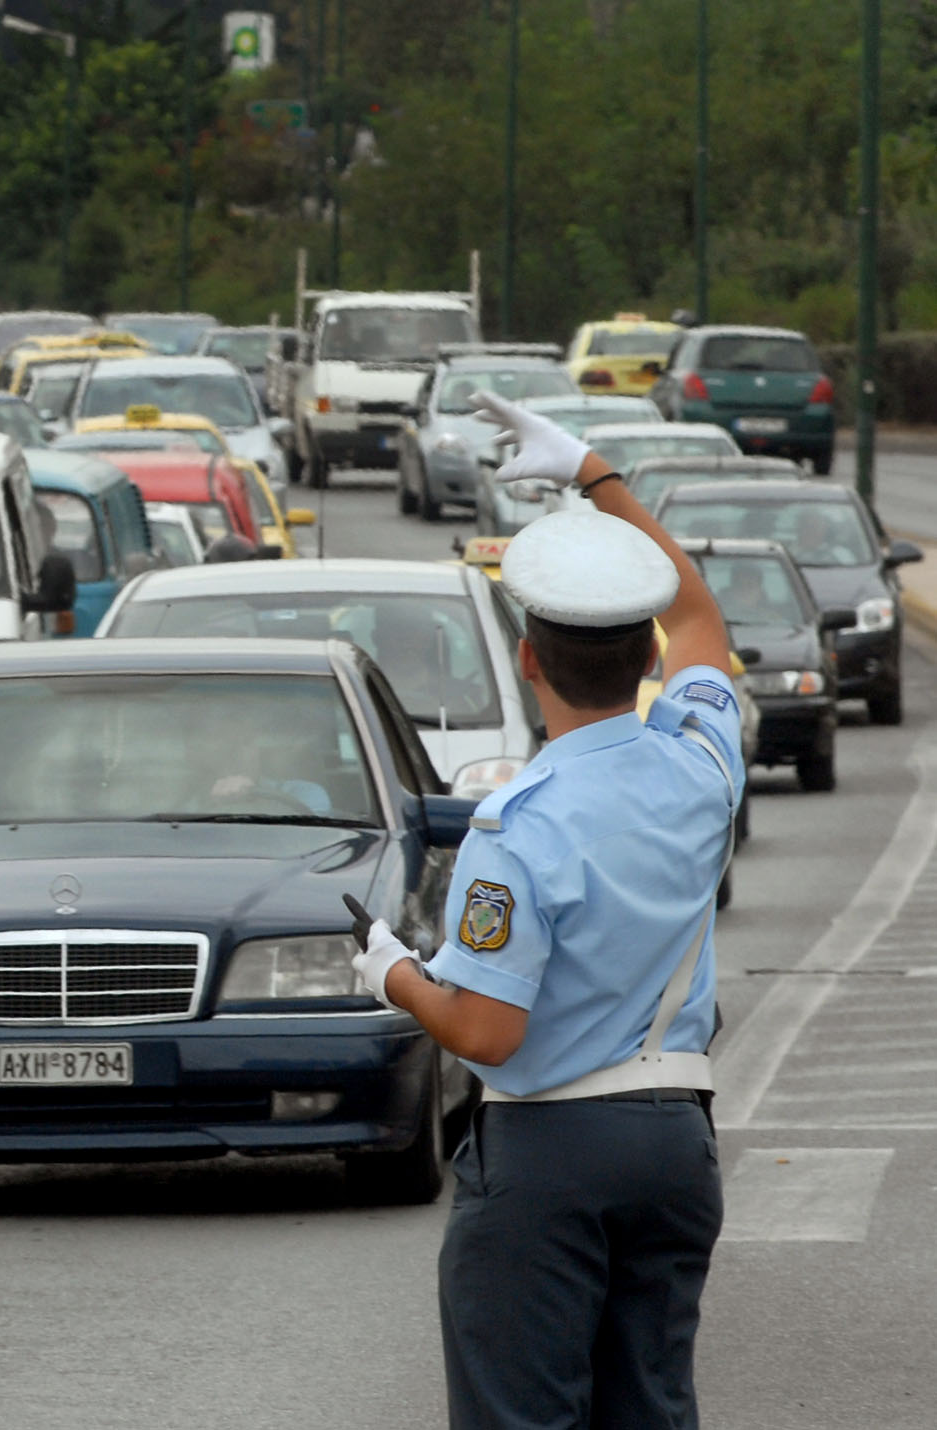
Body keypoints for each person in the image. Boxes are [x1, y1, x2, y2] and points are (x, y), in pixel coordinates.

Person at [349, 389, 740, 1429]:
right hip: (676, 1144)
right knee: (650, 1409)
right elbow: (700, 611)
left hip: (551, 1154)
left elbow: (487, 1027)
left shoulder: (516, 825)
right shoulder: (700, 759)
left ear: (528, 661)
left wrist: (392, 970)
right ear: (649, 658)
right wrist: (593, 472)